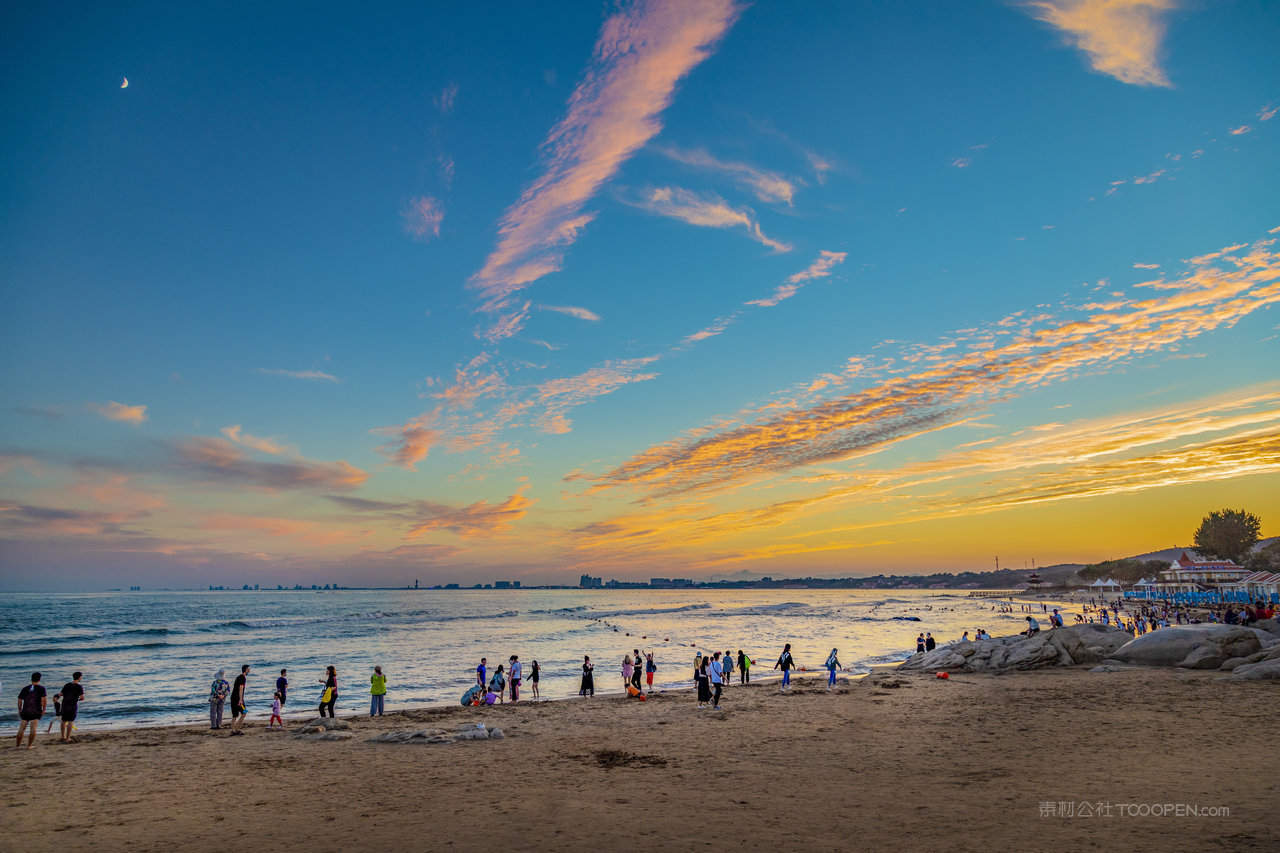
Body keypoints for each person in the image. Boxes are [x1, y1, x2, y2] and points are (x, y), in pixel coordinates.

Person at [16, 672, 46, 749]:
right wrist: (44, 709)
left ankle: (17, 746)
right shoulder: (41, 688)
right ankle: (29, 745)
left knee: (22, 728)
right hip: (36, 711)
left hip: (25, 711)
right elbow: (44, 700)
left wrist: (19, 709)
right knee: (33, 728)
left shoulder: (25, 688)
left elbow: (20, 700)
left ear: (31, 679)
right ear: (39, 679)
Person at [56, 672, 85, 743]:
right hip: (72, 705)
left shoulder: (67, 685)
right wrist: (80, 699)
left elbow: (60, 694)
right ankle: (68, 738)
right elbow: (82, 697)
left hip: (64, 704)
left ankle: (63, 736)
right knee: (70, 721)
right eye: (81, 677)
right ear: (79, 677)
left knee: (63, 721)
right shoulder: (79, 687)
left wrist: (56, 698)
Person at [230, 665, 249, 736]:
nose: (249, 670)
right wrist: (241, 700)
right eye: (248, 669)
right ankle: (238, 729)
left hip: (233, 699)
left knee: (235, 715)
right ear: (246, 670)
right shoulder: (242, 678)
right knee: (244, 713)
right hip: (238, 700)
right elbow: (241, 688)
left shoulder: (238, 677)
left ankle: (232, 730)